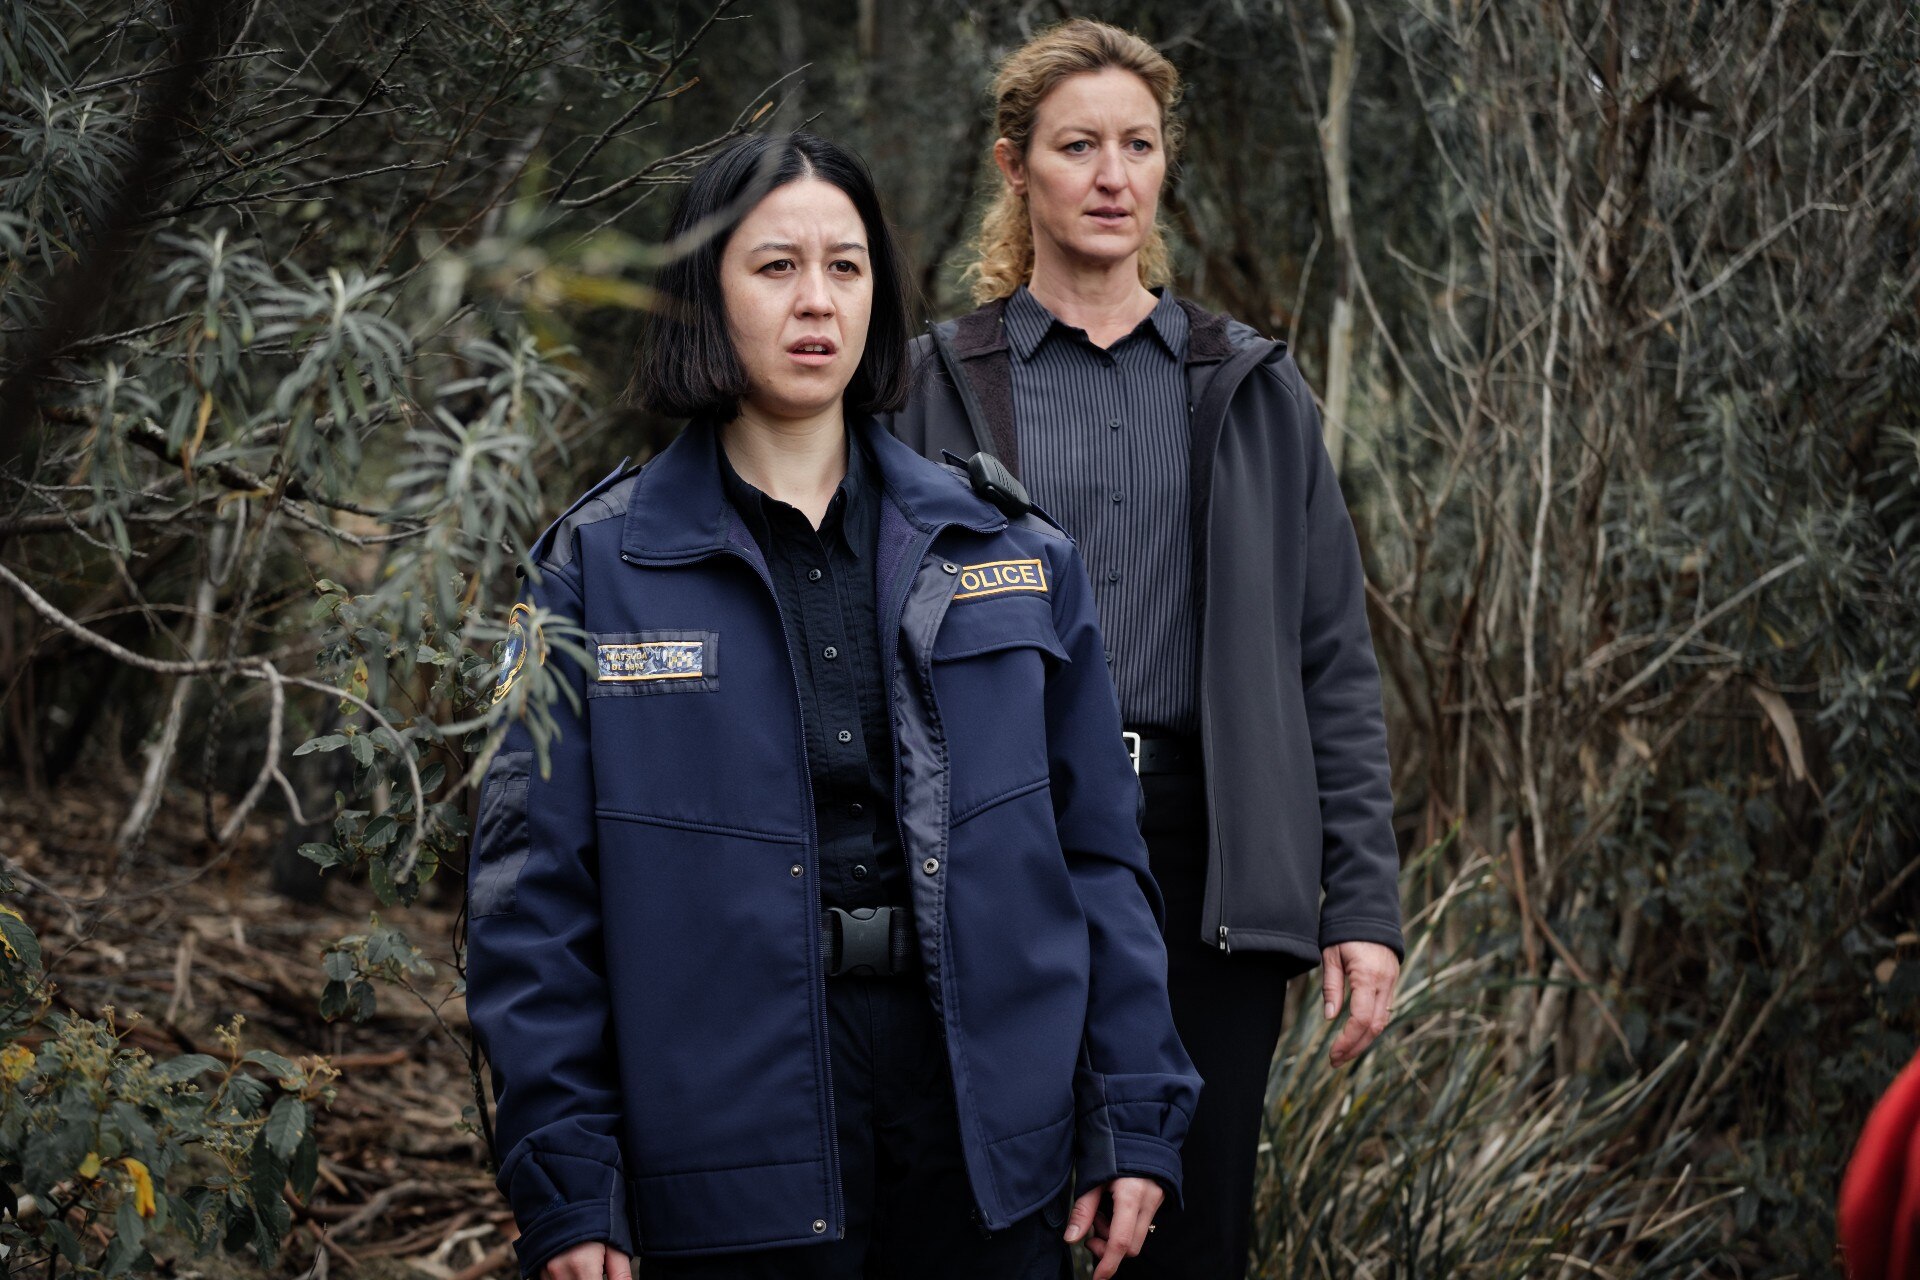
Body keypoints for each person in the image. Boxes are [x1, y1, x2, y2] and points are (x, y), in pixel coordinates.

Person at [463, 130, 1201, 1280]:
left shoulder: (1012, 551)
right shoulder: (590, 571)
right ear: (703, 294)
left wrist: (1132, 1112)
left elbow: (1100, 856)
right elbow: (531, 901)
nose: (818, 302)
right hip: (724, 1139)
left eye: (847, 267)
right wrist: (571, 1180)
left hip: (984, 1134)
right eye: (775, 267)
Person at [878, 20, 1406, 1279]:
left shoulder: (1250, 386)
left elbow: (1332, 658)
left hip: (1210, 858)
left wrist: (1363, 904)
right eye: (1077, 146)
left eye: (1138, 144)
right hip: (1001, 838)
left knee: (1186, 1231)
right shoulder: (930, 385)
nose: (1112, 174)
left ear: (1165, 165)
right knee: (1001, 1221)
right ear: (1017, 167)